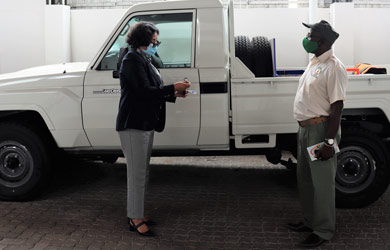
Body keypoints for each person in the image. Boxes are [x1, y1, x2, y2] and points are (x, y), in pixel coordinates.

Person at [116, 22, 190, 237]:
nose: (156, 45)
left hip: (144, 123)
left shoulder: (143, 59)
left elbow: (152, 90)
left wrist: (173, 94)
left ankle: (137, 212)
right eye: (153, 42)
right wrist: (172, 87)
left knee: (142, 173)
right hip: (133, 125)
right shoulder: (131, 60)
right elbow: (143, 91)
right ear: (141, 41)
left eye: (157, 42)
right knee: (137, 174)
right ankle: (135, 218)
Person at [289, 20, 347, 248]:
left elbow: (337, 107)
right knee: (305, 180)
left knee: (322, 183)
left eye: (310, 35)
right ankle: (310, 221)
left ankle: (323, 230)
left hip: (320, 130)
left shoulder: (334, 67)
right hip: (304, 129)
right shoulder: (315, 63)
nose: (306, 39)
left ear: (321, 41)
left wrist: (329, 142)